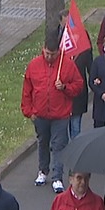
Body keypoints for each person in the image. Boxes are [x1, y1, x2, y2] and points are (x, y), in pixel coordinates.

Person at [22, 28, 85, 192]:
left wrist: (64, 87)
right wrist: (29, 111)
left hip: (61, 114)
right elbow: (27, 90)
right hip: (40, 114)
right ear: (43, 49)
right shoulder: (34, 65)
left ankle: (57, 176)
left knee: (59, 145)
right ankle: (43, 170)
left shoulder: (67, 65)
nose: (50, 57)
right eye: (47, 53)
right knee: (42, 142)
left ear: (59, 51)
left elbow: (78, 85)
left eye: (53, 54)